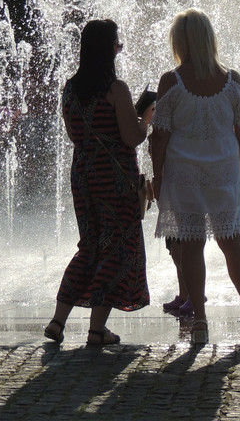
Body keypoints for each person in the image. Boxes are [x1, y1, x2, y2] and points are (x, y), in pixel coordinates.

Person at [149, 8, 240, 344]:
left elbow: (159, 135)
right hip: (224, 173)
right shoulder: (232, 81)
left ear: (180, 42)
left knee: (192, 244)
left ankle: (200, 321)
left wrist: (157, 178)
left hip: (184, 173)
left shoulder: (171, 81)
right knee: (232, 244)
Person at [44, 19, 153, 346]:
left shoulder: (70, 89)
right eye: (118, 43)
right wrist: (145, 118)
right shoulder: (115, 89)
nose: (121, 48)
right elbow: (131, 137)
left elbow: (74, 134)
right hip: (114, 177)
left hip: (83, 174)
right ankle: (95, 329)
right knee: (117, 247)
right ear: (107, 48)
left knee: (90, 246)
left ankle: (57, 321)